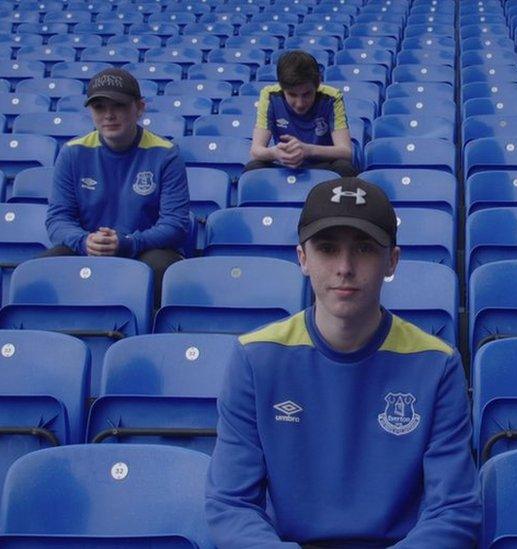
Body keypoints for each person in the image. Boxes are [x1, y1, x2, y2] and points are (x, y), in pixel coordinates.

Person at [205, 177, 480, 548]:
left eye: (364, 248)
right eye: (327, 248)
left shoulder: (437, 364)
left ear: (391, 261)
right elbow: (231, 504)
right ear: (302, 258)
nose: (345, 267)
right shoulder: (254, 358)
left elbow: (454, 511)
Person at [45, 67, 189, 304]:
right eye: (99, 107)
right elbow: (58, 219)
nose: (108, 115)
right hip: (88, 249)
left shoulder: (166, 154)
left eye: (119, 105)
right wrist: (84, 241)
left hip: (145, 250)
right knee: (43, 268)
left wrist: (129, 243)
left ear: (139, 108)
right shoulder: (72, 153)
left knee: (161, 266)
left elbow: (175, 224)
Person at [247, 50, 357, 176]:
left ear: (317, 86)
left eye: (307, 94)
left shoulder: (332, 97)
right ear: (282, 89)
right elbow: (256, 150)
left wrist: (308, 150)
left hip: (322, 165)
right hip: (285, 165)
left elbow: (345, 152)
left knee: (344, 168)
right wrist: (275, 153)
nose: (300, 103)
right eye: (292, 95)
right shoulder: (269, 95)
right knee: (253, 168)